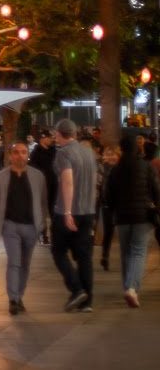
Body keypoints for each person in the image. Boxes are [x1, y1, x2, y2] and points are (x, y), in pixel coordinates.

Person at [0, 142, 48, 315]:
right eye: (16, 152)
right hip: (10, 226)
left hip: (31, 227)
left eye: (23, 152)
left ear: (27, 154)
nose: (20, 155)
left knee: (25, 265)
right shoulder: (2, 177)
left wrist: (43, 225)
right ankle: (13, 299)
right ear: (10, 155)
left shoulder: (37, 176)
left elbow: (42, 202)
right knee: (14, 262)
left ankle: (19, 296)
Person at [106, 135, 160, 308]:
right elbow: (156, 189)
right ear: (137, 149)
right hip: (142, 216)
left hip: (122, 217)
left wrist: (113, 212)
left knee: (125, 253)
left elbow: (109, 195)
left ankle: (128, 287)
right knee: (138, 251)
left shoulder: (115, 170)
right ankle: (131, 288)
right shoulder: (146, 167)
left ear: (121, 149)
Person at [50, 118, 97, 313]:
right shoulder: (89, 153)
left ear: (60, 134)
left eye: (56, 134)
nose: (55, 138)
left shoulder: (64, 154)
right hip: (88, 210)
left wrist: (68, 211)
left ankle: (76, 289)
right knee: (84, 256)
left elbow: (67, 181)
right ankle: (87, 301)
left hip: (67, 211)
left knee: (58, 251)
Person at [28, 129, 57, 244]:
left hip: (54, 184)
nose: (51, 139)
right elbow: (32, 169)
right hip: (41, 186)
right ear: (43, 138)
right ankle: (43, 234)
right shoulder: (36, 153)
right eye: (49, 137)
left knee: (53, 210)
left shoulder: (54, 150)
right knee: (42, 211)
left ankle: (55, 234)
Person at [99, 144, 119, 271]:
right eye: (108, 154)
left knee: (122, 232)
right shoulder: (101, 168)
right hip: (107, 204)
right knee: (108, 231)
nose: (111, 157)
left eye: (113, 154)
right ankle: (105, 255)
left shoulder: (121, 168)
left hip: (120, 204)